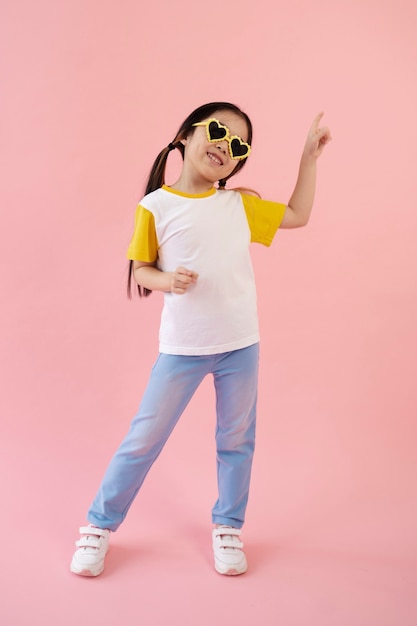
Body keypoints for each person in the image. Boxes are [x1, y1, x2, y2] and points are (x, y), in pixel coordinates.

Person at [70, 102, 331, 577]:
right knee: (143, 439)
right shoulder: (155, 206)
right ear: (186, 136)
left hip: (240, 344)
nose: (225, 146)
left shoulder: (238, 206)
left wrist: (308, 159)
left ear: (237, 162)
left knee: (236, 440)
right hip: (183, 349)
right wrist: (167, 281)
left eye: (237, 145)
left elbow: (297, 214)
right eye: (218, 131)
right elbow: (142, 268)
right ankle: (98, 526)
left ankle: (228, 526)